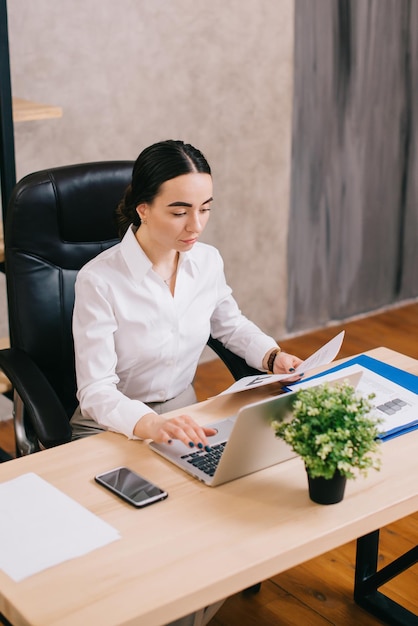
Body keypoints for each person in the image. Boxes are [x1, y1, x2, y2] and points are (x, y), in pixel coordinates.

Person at [71, 139, 303, 448]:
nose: (196, 226)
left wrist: (272, 356)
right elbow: (96, 391)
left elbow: (230, 324)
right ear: (144, 209)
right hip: (112, 424)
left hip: (185, 414)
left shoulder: (207, 261)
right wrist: (151, 424)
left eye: (205, 209)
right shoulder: (99, 281)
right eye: (180, 212)